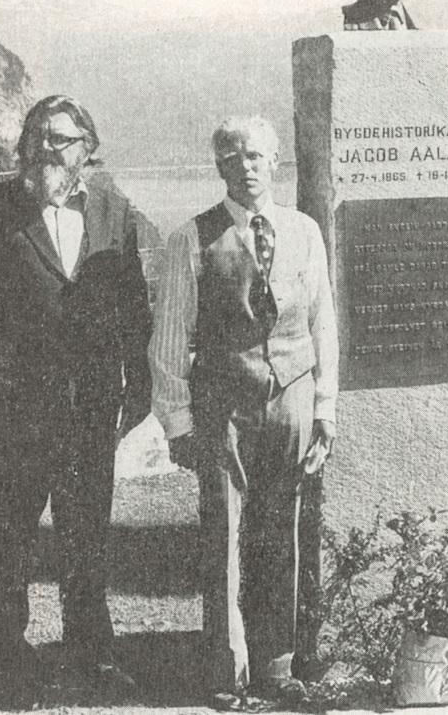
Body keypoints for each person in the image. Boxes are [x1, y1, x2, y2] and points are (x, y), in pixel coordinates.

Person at [0, 95, 152, 694]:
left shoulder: (113, 210)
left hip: (89, 406)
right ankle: (4, 651)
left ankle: (91, 653)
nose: (44, 148)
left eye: (59, 138)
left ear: (88, 147)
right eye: (35, 135)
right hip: (12, 408)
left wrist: (138, 383)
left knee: (87, 533)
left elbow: (132, 304)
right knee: (8, 533)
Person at [148, 116, 338, 702]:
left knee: (282, 531)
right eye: (232, 156)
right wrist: (177, 422)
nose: (245, 166)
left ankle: (277, 666)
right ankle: (226, 671)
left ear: (275, 160)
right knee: (224, 537)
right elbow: (170, 340)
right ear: (219, 167)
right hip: (224, 405)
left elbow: (322, 324)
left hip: (294, 399)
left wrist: (325, 409)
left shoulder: (305, 231)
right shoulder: (192, 238)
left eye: (255, 155)